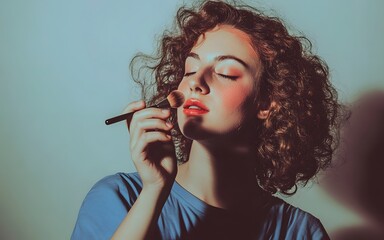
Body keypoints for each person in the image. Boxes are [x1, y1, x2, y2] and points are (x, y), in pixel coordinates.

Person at [72, 1, 341, 239]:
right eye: (190, 69)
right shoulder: (120, 197)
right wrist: (154, 191)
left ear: (267, 103)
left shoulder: (299, 232)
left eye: (225, 73)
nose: (196, 83)